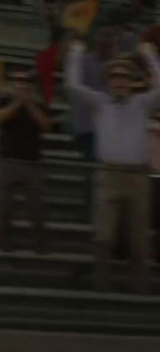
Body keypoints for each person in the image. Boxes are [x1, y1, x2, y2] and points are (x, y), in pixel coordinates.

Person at [65, 40, 160, 293]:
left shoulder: (141, 103)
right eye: (115, 78)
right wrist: (75, 55)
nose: (119, 82)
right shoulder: (101, 102)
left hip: (138, 176)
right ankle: (101, 285)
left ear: (130, 82)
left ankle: (139, 286)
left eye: (124, 78)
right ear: (109, 82)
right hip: (109, 174)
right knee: (103, 237)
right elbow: (73, 86)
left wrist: (150, 57)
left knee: (140, 237)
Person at [0, 69, 50, 254]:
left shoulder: (39, 104)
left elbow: (46, 126)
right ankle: (5, 246)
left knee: (37, 210)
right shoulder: (5, 100)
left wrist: (29, 103)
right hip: (9, 160)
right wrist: (17, 103)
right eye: (18, 81)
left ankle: (40, 247)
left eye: (26, 82)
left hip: (33, 162)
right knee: (5, 209)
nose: (22, 85)